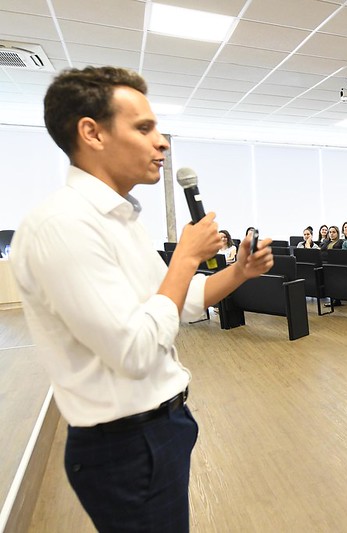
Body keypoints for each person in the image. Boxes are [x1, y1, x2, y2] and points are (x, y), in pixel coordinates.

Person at [9, 66, 274, 533]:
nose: (163, 143)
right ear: (91, 132)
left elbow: (182, 302)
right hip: (125, 445)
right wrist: (186, 257)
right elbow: (133, 351)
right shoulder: (64, 225)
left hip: (159, 428)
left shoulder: (120, 218)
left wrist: (238, 271)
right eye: (144, 128)